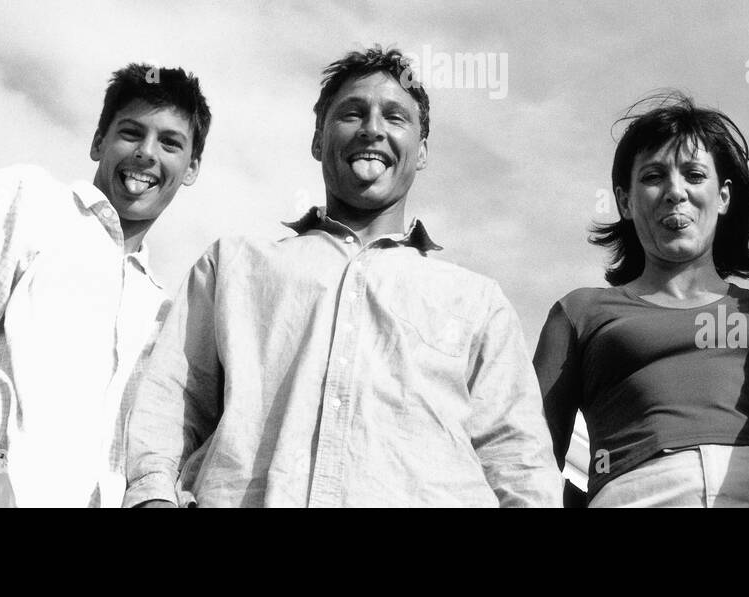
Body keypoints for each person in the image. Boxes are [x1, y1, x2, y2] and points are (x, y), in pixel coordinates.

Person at [124, 46, 558, 507]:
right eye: (352, 113)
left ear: (423, 150)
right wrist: (153, 496)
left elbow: (519, 460)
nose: (372, 128)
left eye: (395, 117)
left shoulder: (477, 302)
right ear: (318, 140)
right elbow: (171, 400)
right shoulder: (232, 268)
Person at [0, 63, 210, 507]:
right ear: (99, 142)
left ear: (190, 168)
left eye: (169, 143)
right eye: (131, 133)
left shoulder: (164, 312)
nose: (147, 153)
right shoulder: (34, 197)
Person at [534, 94, 749, 507]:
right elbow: (529, 452)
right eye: (653, 176)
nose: (675, 191)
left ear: (723, 197)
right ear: (626, 202)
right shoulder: (581, 312)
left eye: (694, 174)